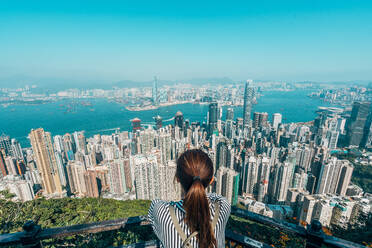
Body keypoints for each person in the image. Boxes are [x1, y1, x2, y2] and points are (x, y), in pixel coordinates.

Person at [148, 149, 231, 248]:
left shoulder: (161, 212)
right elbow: (213, 197)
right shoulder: (222, 207)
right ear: (211, 180)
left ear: (177, 178)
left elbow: (155, 203)